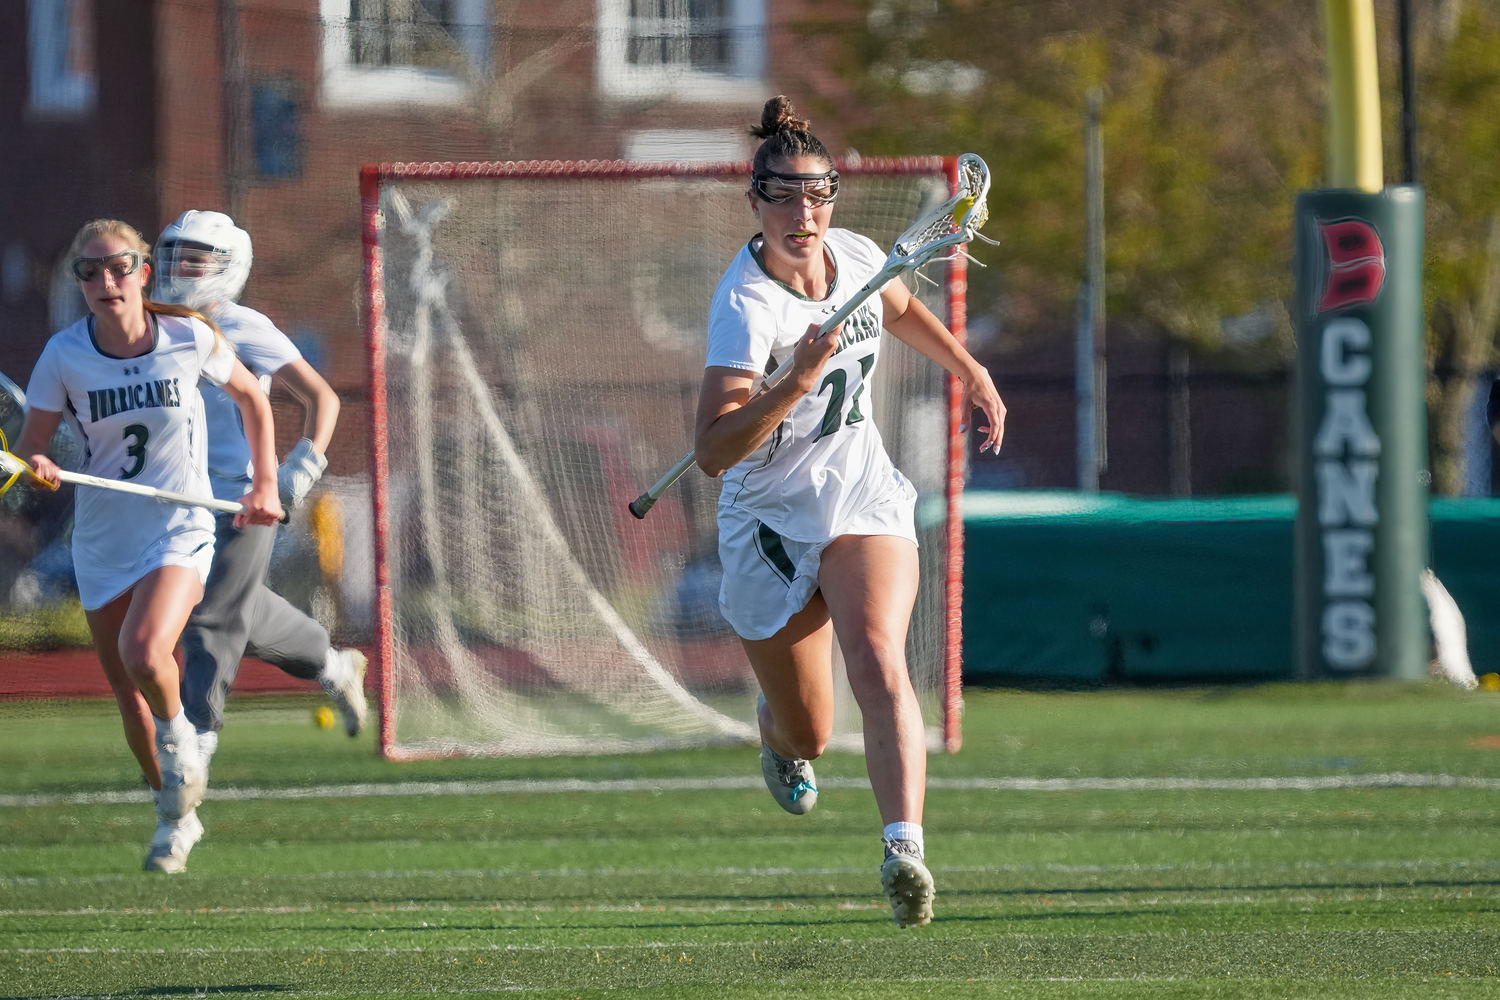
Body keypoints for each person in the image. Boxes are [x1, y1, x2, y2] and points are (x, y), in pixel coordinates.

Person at [694, 97, 1006, 928]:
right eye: (785, 196)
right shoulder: (746, 308)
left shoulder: (859, 255)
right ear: (753, 199)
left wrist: (969, 370)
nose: (805, 214)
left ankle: (904, 849)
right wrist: (793, 381)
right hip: (768, 520)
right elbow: (716, 451)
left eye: (819, 194)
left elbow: (898, 308)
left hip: (861, 494)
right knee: (810, 732)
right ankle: (778, 740)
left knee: (877, 656)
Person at [14, 219, 283, 868]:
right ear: (80, 282)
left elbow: (253, 399)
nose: (106, 281)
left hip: (178, 526)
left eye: (119, 267)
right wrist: (37, 464)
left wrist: (265, 481)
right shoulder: (62, 356)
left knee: (144, 650)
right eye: (90, 271)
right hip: (102, 537)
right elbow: (31, 447)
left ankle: (181, 739)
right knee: (126, 693)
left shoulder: (189, 337)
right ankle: (174, 814)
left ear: (141, 271)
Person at [143, 209, 367, 873]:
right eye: (176, 256)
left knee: (211, 628)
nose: (183, 270)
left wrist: (301, 468)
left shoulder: (243, 327)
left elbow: (320, 399)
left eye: (198, 259)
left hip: (242, 502)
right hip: (170, 503)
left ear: (228, 266)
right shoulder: (147, 330)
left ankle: (182, 799)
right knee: (240, 616)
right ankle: (333, 664)